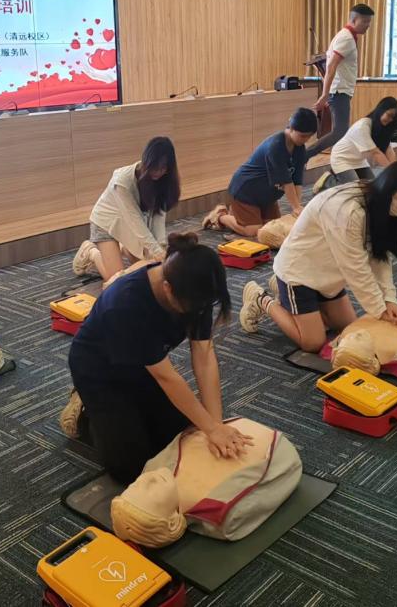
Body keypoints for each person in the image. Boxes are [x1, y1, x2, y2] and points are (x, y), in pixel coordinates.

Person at [65, 232, 252, 484]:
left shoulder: (195, 287)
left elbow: (204, 357)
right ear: (167, 288)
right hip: (99, 373)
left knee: (181, 436)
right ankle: (84, 412)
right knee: (132, 469)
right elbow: (166, 377)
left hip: (143, 368)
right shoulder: (126, 303)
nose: (197, 313)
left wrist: (215, 424)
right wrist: (211, 428)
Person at [239, 160, 397, 353]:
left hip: (328, 277)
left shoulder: (379, 204)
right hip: (298, 273)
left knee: (347, 328)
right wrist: (380, 310)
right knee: (313, 342)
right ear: (389, 187)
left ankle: (288, 297)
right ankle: (260, 299)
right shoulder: (347, 209)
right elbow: (355, 267)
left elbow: (379, 257)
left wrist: (389, 299)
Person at [74, 137, 179, 281]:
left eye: (164, 168)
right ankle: (91, 252)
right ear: (146, 161)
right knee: (117, 280)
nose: (159, 172)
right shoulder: (122, 181)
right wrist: (156, 251)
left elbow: (158, 217)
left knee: (150, 270)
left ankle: (125, 248)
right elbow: (134, 221)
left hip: (130, 228)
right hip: (106, 224)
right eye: (155, 167)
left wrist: (161, 247)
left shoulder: (163, 181)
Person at [203, 109, 317, 237]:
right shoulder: (276, 146)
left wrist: (297, 207)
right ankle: (220, 216)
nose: (306, 140)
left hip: (267, 196)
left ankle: (239, 215)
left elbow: (297, 180)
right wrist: (295, 207)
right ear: (291, 128)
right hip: (246, 192)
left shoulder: (299, 148)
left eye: (309, 136)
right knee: (253, 231)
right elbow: (286, 182)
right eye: (303, 136)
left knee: (271, 230)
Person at [309, 4, 375, 159]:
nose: (368, 25)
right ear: (354, 19)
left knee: (340, 132)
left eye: (369, 22)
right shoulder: (346, 38)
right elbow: (331, 66)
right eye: (365, 21)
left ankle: (337, 161)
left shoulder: (347, 36)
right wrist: (325, 94)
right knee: (339, 132)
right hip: (339, 91)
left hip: (340, 90)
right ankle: (305, 155)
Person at [320, 96, 397, 188]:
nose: (390, 120)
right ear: (381, 110)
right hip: (341, 158)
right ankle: (328, 182)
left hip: (359, 161)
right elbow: (376, 153)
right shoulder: (363, 126)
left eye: (393, 118)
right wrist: (392, 173)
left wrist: (395, 171)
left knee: (371, 188)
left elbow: (389, 150)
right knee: (356, 189)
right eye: (389, 115)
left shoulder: (382, 128)